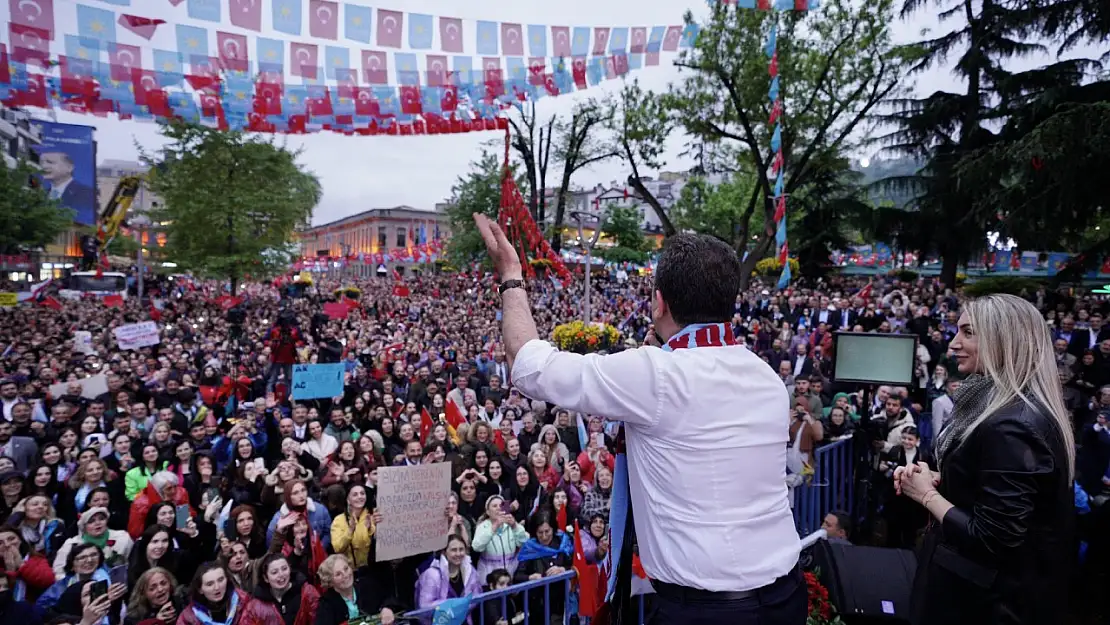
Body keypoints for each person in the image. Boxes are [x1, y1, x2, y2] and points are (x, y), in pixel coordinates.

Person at [473, 215, 805, 623]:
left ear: (658, 302)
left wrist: (510, 274)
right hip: (786, 596)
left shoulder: (655, 375)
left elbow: (527, 365)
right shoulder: (767, 376)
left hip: (704, 611)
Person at [895, 294, 1075, 625]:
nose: (953, 344)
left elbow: (994, 535)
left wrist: (927, 495)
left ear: (1003, 339)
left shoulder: (1011, 423)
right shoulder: (998, 406)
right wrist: (944, 478)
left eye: (968, 332)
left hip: (984, 604)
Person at [315, 554, 398, 625]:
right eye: (338, 574)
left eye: (346, 568)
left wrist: (387, 608)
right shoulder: (326, 604)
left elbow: (390, 599)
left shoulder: (367, 585)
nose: (345, 575)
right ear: (330, 582)